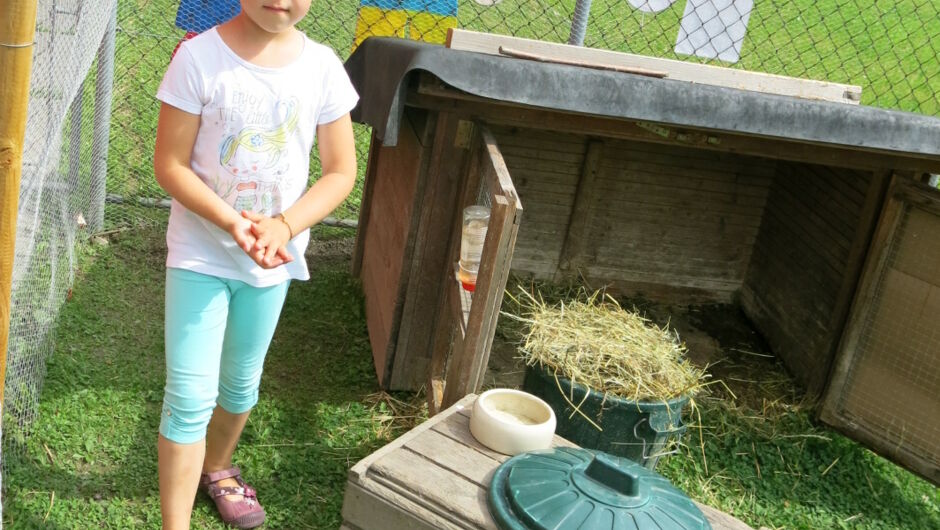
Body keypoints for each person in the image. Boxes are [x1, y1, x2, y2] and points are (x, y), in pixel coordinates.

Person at [152, 1, 358, 528]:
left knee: (242, 384)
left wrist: (283, 226)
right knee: (189, 396)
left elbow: (340, 173)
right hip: (201, 254)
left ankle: (217, 468)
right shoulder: (198, 58)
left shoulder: (324, 67)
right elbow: (170, 164)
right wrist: (231, 222)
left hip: (272, 260)